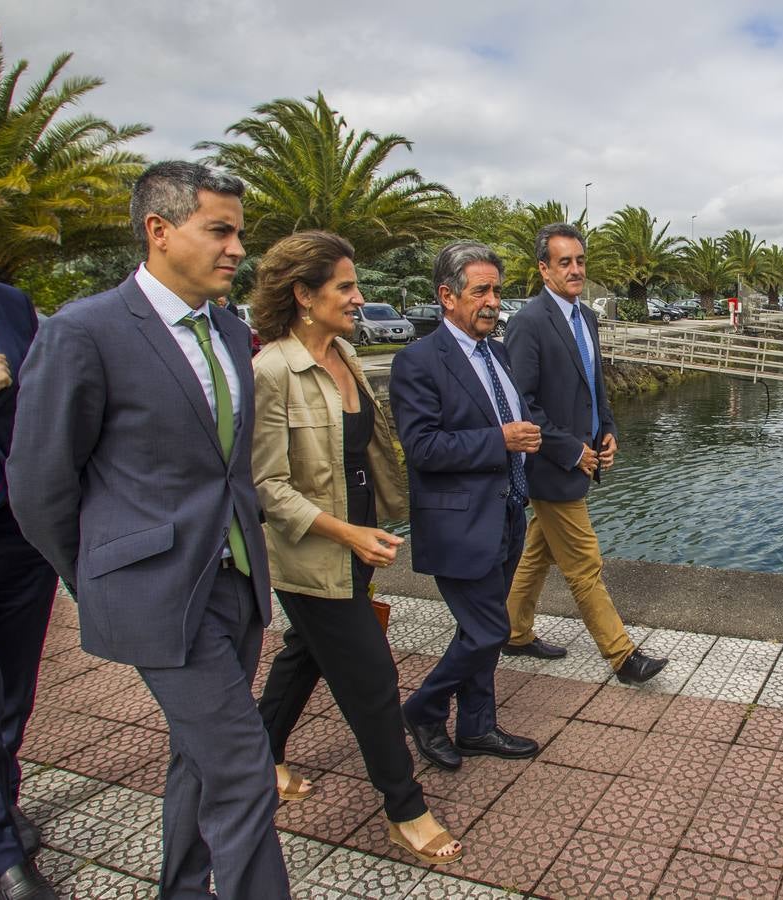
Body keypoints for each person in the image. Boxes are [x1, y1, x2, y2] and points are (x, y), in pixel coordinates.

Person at [8, 161, 290, 900]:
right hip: (156, 594)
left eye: (240, 233)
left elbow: (226, 469)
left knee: (198, 764)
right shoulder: (84, 331)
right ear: (159, 232)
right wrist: (101, 576)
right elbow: (38, 487)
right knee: (241, 769)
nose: (236, 248)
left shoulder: (231, 332)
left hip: (234, 586)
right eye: (219, 231)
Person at [248, 231, 461, 866]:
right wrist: (347, 535)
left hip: (357, 547)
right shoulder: (271, 371)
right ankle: (405, 809)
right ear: (303, 295)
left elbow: (364, 458)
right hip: (312, 554)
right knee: (372, 677)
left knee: (304, 655)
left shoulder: (342, 351)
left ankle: (261, 757)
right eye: (345, 286)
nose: (358, 296)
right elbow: (266, 486)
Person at [389, 241, 541, 770]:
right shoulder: (416, 362)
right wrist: (499, 439)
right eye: (481, 291)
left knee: (478, 629)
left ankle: (477, 726)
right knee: (489, 630)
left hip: (507, 514)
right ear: (447, 296)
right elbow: (423, 449)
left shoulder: (497, 353)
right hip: (458, 526)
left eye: (497, 291)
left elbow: (517, 425)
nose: (493, 302)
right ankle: (424, 709)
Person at [502, 224, 667, 684]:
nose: (575, 270)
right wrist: (571, 449)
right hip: (548, 465)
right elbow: (522, 402)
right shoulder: (528, 323)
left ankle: (512, 630)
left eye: (579, 260)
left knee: (538, 551)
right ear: (543, 268)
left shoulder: (586, 318)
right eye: (564, 262)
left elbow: (594, 388)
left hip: (582, 457)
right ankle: (622, 656)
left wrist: (607, 431)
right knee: (584, 562)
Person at [0, 282, 59, 900]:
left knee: (14, 691)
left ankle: (4, 807)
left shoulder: (9, 304)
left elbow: (42, 408)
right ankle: (1, 854)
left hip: (15, 531)